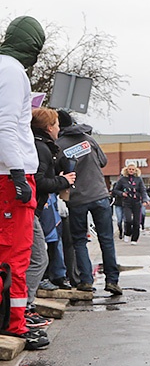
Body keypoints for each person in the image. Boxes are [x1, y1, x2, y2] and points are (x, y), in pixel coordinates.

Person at [0, 16, 49, 350]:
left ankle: (10, 319)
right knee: (16, 254)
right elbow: (5, 125)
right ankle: (14, 325)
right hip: (10, 175)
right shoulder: (13, 71)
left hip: (8, 173)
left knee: (13, 253)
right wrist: (18, 173)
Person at [55, 113, 122, 296]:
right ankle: (112, 281)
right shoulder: (88, 139)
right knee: (106, 240)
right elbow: (103, 161)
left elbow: (56, 174)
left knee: (79, 240)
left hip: (76, 200)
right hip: (99, 195)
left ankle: (86, 281)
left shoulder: (58, 146)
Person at [27, 108, 74, 330]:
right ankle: (23, 309)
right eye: (56, 124)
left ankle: (23, 307)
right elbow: (38, 182)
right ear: (48, 127)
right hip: (29, 211)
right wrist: (62, 181)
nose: (59, 128)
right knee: (38, 259)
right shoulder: (41, 149)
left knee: (35, 258)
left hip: (32, 210)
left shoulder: (44, 147)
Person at [111, 164, 147, 244]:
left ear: (135, 170)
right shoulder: (122, 179)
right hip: (127, 202)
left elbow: (143, 190)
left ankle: (134, 239)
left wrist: (144, 200)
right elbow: (115, 190)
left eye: (132, 169)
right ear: (127, 170)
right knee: (128, 219)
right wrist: (122, 193)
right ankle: (127, 233)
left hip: (136, 202)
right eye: (129, 169)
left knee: (136, 222)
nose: (131, 170)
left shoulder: (139, 179)